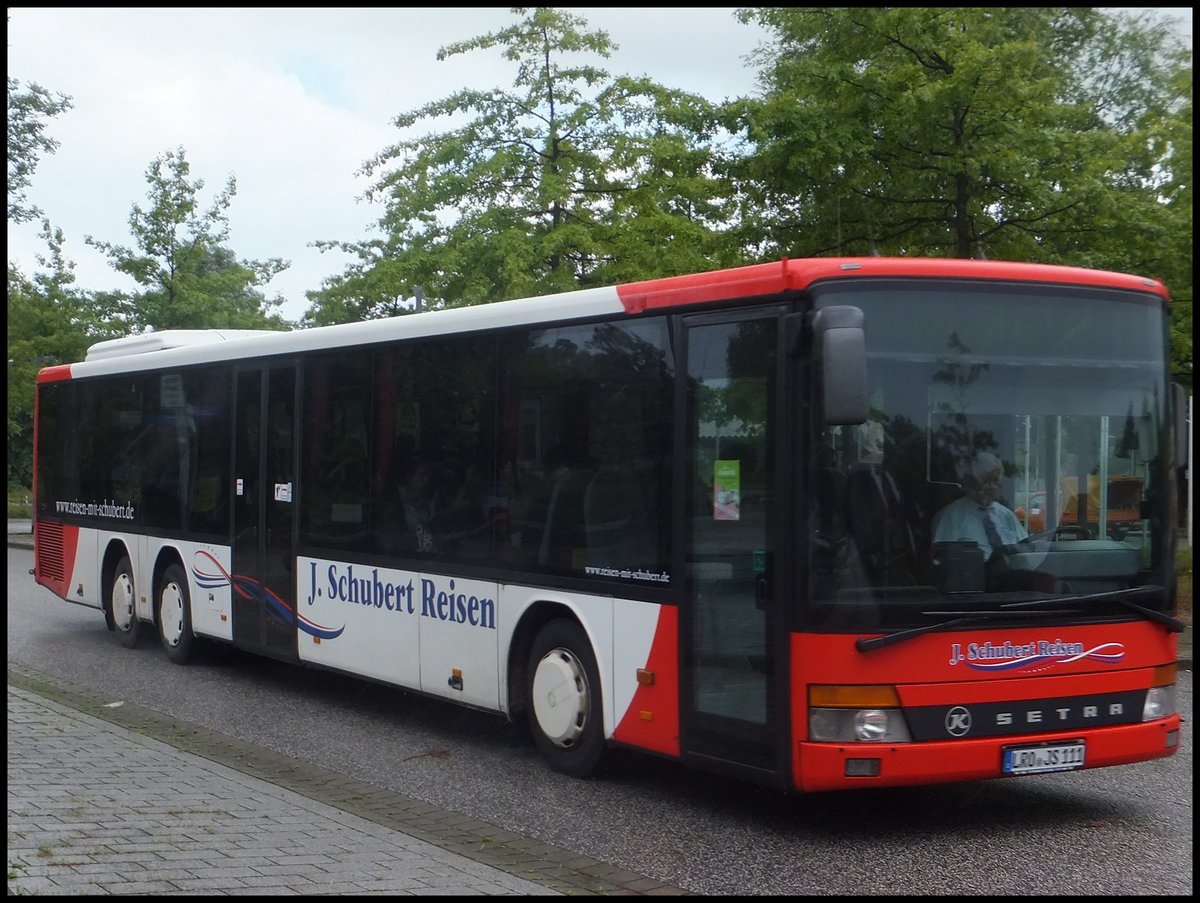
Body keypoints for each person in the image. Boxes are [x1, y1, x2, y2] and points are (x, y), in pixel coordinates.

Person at [932, 451, 1027, 558]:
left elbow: (1026, 552)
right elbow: (943, 561)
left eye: (995, 480)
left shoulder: (1006, 515)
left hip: (1011, 573)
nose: (992, 487)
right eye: (986, 480)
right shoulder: (952, 517)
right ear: (971, 482)